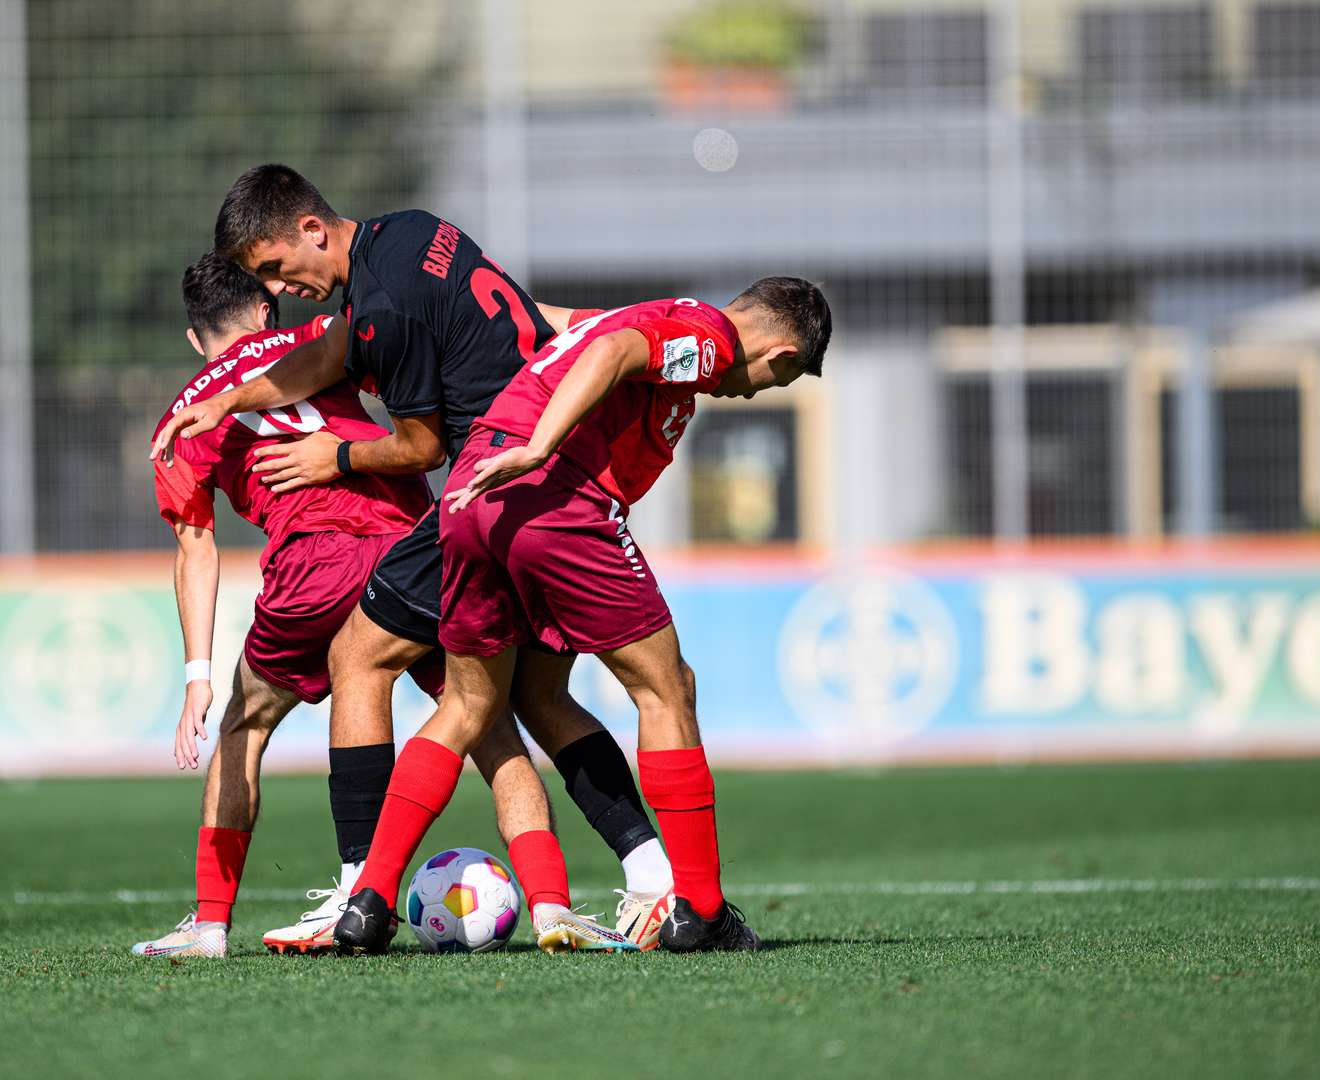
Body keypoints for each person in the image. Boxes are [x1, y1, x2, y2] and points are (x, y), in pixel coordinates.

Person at [153, 165, 673, 951]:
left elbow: (420, 444)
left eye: (278, 266)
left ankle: (338, 897)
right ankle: (607, 889)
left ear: (311, 233)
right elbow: (356, 352)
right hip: (530, 494)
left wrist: (334, 457)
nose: (284, 287)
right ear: (258, 312)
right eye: (268, 282)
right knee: (508, 708)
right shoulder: (412, 235)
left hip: (454, 509)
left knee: (324, 679)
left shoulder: (371, 317)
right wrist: (625, 327)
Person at [331, 280, 832, 954]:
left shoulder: (653, 311)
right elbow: (619, 351)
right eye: (782, 377)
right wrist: (540, 445)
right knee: (667, 688)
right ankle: (702, 910)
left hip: (474, 494)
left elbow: (570, 325)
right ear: (782, 351)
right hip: (554, 497)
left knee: (476, 704)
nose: (757, 391)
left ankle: (369, 900)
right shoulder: (710, 340)